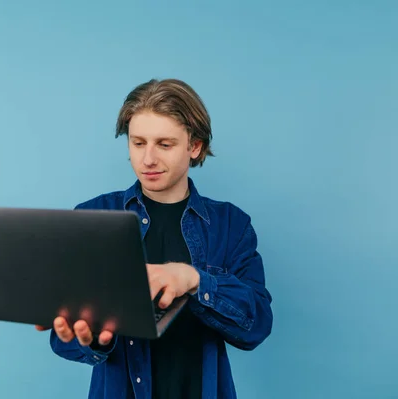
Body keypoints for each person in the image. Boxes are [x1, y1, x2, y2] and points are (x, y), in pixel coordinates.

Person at [35, 78, 273, 398]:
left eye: (164, 144)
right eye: (138, 143)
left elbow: (255, 326)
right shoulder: (92, 218)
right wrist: (91, 338)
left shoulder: (231, 225)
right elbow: (65, 342)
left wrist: (193, 279)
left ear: (195, 146)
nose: (147, 159)